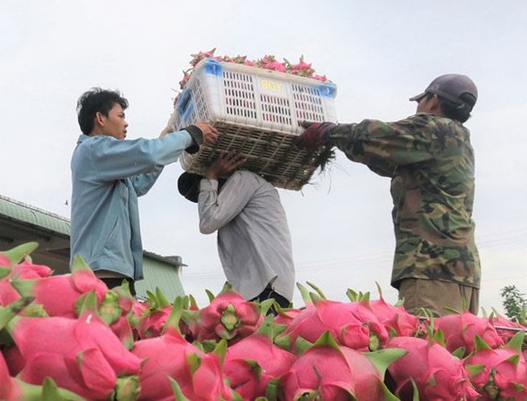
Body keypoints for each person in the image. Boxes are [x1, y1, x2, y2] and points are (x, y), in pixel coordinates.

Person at [298, 74, 480, 315]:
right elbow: (386, 158)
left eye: (421, 100)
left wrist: (328, 132)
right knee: (456, 350)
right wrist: (344, 144)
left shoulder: (433, 129)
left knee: (427, 347)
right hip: (461, 271)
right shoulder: (457, 141)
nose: (418, 107)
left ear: (434, 101)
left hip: (431, 268)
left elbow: (377, 135)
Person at [71, 87, 218, 295]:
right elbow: (147, 154)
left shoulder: (105, 160)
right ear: (100, 118)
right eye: (120, 116)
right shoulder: (93, 149)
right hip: (101, 272)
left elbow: (138, 183)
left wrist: (171, 140)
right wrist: (189, 135)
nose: (126, 122)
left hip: (113, 270)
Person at [177, 152, 295, 310]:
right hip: (263, 289)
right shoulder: (239, 196)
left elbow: (207, 223)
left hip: (268, 288)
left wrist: (211, 175)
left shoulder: (244, 179)